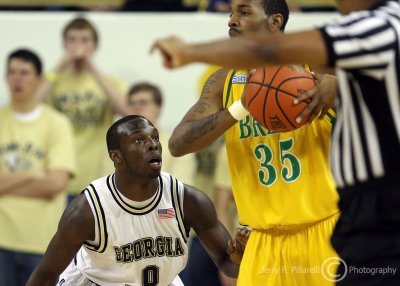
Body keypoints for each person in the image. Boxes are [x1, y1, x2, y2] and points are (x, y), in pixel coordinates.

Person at [152, 0, 400, 285]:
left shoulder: (319, 69)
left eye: (244, 12)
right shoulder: (224, 80)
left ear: (275, 22)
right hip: (261, 241)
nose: (232, 20)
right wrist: (240, 107)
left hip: (324, 231)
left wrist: (342, 90)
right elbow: (178, 144)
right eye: (231, 13)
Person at [26, 115, 247, 286]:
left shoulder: (188, 200)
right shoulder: (88, 210)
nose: (153, 145)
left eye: (155, 137)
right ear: (116, 156)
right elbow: (46, 275)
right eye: (139, 140)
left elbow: (229, 267)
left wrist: (239, 259)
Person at [0, 49, 76, 285]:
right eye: (12, 72)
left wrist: (8, 183)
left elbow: (56, 183)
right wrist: (33, 174)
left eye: (24, 73)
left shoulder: (57, 123)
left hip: (42, 242)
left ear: (39, 79)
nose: (17, 79)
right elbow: (46, 181)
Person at [36, 17, 129, 202]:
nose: (78, 45)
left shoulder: (110, 82)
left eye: (85, 40)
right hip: (58, 175)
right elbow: (33, 104)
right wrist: (60, 65)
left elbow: (127, 113)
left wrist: (92, 68)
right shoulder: (53, 80)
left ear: (95, 46)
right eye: (72, 40)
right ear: (64, 45)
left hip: (98, 179)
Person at [126, 82, 195, 185]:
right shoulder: (118, 145)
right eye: (132, 103)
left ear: (159, 108)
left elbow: (180, 191)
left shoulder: (177, 146)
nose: (136, 107)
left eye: (143, 103)